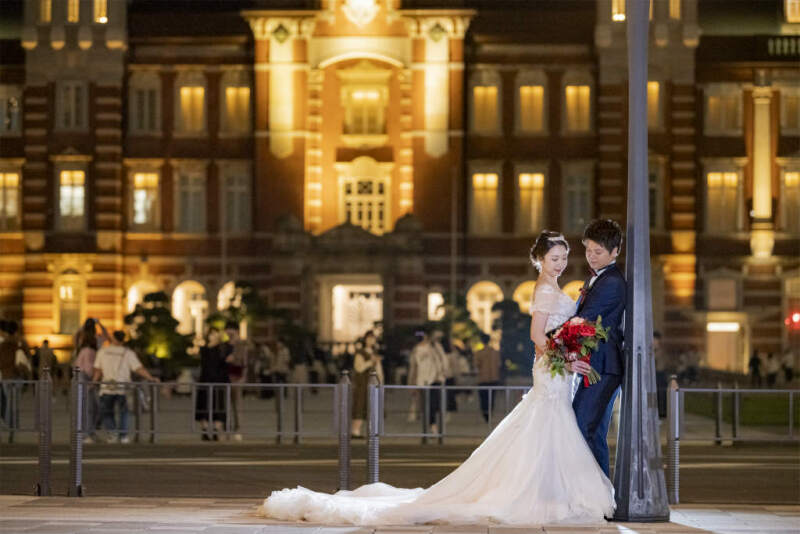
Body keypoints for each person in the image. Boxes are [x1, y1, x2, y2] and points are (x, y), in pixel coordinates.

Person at [259, 230, 614, 526]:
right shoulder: (544, 289)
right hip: (551, 369)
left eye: (564, 258)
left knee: (548, 430)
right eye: (555, 258)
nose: (561, 263)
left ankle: (547, 492)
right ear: (540, 259)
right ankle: (543, 494)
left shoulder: (553, 288)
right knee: (548, 429)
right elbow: (538, 337)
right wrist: (566, 359)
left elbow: (550, 336)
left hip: (556, 369)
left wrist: (567, 355)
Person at [571, 219, 626, 477]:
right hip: (598, 364)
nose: (591, 257)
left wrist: (553, 346)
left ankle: (598, 496)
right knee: (592, 433)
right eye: (588, 250)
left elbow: (585, 320)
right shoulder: (598, 278)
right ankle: (602, 496)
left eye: (598, 252)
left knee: (582, 428)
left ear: (615, 252)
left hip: (603, 365)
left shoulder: (612, 282)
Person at [92, 331, 158, 443]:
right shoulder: (128, 353)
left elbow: (98, 370)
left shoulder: (103, 351)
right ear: (123, 340)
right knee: (124, 412)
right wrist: (150, 378)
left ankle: (112, 433)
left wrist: (94, 382)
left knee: (107, 412)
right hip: (123, 387)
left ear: (113, 338)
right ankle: (123, 436)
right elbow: (138, 368)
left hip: (107, 386)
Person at [406, 328, 448, 432]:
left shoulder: (435, 346)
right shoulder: (416, 350)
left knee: (434, 403)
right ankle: (431, 425)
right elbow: (413, 367)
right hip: (422, 380)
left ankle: (432, 424)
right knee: (426, 404)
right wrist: (411, 382)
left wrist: (443, 373)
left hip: (435, 378)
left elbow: (443, 359)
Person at [195, 328, 232, 441]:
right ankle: (205, 430)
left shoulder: (223, 349)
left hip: (219, 382)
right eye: (210, 334)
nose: (211, 336)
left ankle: (216, 430)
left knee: (219, 406)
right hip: (205, 380)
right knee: (203, 406)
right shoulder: (204, 350)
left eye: (214, 334)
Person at [350, 331, 383, 438]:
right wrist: (371, 361)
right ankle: (355, 430)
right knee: (360, 405)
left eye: (373, 338)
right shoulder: (360, 353)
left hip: (372, 384)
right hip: (362, 384)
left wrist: (381, 381)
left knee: (370, 406)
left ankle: (370, 431)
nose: (371, 340)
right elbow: (358, 368)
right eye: (369, 338)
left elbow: (379, 370)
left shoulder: (374, 352)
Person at [224, 321, 248, 441]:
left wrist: (243, 377)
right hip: (226, 377)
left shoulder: (241, 344)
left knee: (237, 405)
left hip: (237, 377)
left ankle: (238, 429)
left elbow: (244, 362)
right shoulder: (226, 344)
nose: (228, 332)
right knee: (226, 405)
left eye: (230, 329)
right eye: (227, 329)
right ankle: (227, 429)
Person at [473, 332, 500, 423]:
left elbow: (476, 365)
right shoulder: (495, 353)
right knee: (491, 397)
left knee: (483, 398)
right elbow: (499, 364)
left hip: (482, 379)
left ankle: (485, 414)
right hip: (493, 378)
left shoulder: (479, 353)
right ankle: (489, 412)